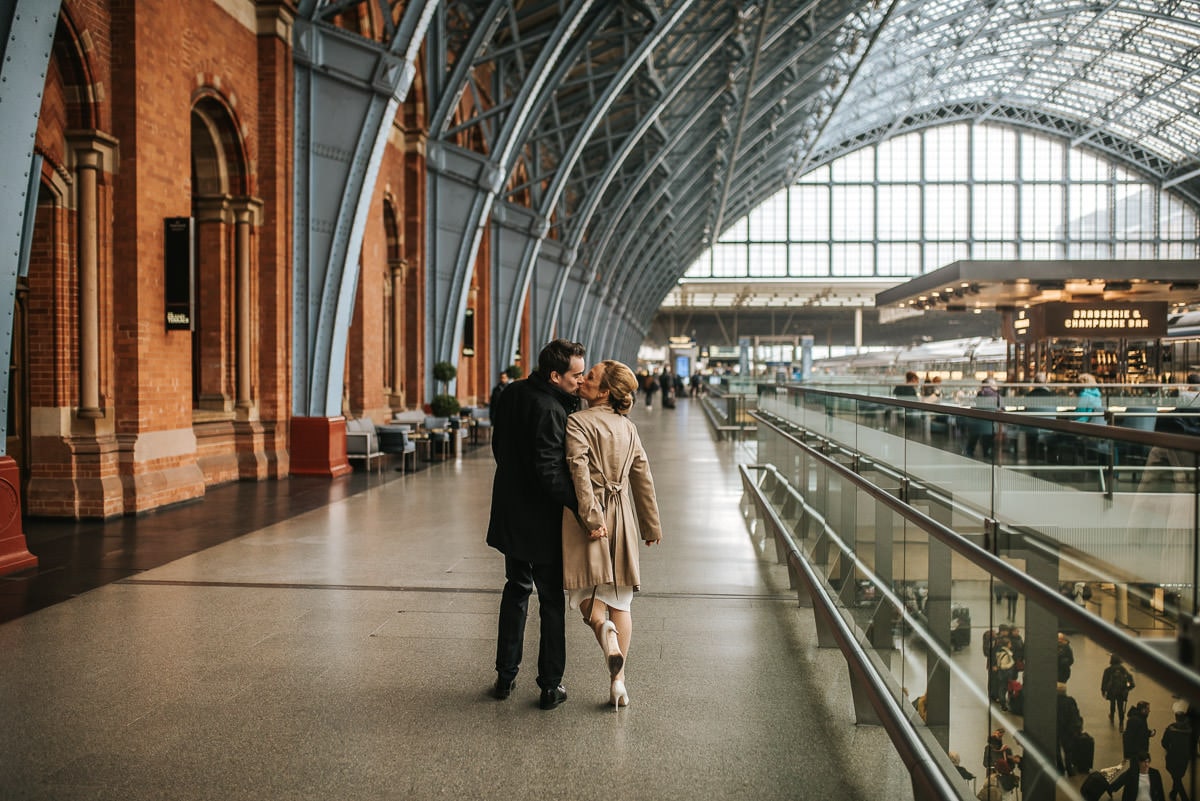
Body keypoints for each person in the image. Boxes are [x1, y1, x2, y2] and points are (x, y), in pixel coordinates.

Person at [486, 338, 586, 710]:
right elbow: (549, 471)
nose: (581, 380)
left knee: (515, 589)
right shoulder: (551, 410)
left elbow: (499, 446)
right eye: (576, 375)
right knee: (550, 600)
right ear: (555, 375)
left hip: (511, 512)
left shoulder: (513, 393)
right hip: (542, 520)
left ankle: (505, 675)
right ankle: (550, 685)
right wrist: (581, 506)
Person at [562, 360, 662, 710]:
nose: (583, 380)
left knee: (584, 590)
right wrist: (651, 525)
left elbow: (578, 470)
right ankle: (618, 683)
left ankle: (603, 630)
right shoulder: (628, 428)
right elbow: (642, 476)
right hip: (623, 517)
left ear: (604, 391)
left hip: (590, 517)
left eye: (590, 377)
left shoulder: (578, 421)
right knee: (621, 598)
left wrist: (591, 518)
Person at [1160, 704, 1192, 801]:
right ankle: (1173, 793)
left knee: (1176, 777)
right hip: (1185, 757)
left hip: (1173, 756)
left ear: (1176, 718)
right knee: (1178, 776)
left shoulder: (1171, 728)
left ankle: (1184, 797)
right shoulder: (1190, 730)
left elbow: (1164, 743)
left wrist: (1170, 749)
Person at [1101, 654, 1135, 731]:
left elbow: (1104, 681)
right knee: (1120, 707)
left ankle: (1112, 716)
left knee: (1112, 704)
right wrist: (1127, 689)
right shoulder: (1123, 669)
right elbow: (1130, 680)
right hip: (1121, 692)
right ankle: (1121, 724)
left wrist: (1103, 690)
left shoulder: (1108, 670)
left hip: (1111, 691)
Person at [1057, 682, 1085, 775]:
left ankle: (1060, 768)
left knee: (1056, 749)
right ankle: (1069, 769)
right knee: (1068, 750)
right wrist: (1078, 727)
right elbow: (1074, 715)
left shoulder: (1051, 701)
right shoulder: (1070, 701)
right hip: (1067, 730)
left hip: (1056, 728)